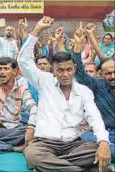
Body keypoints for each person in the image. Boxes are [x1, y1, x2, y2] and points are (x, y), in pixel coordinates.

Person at [18, 16, 111, 171]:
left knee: (96, 149)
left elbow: (94, 117)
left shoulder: (84, 91)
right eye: (60, 70)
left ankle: (50, 166)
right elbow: (23, 61)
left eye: (69, 69)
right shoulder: (44, 81)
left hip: (73, 145)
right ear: (53, 70)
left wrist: (103, 142)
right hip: (44, 143)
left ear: (74, 69)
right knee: (33, 154)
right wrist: (37, 30)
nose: (65, 74)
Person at [73, 23, 115, 159]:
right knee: (85, 138)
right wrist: (78, 47)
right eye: (108, 73)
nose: (112, 76)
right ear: (100, 74)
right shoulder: (98, 85)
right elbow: (79, 72)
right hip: (104, 134)